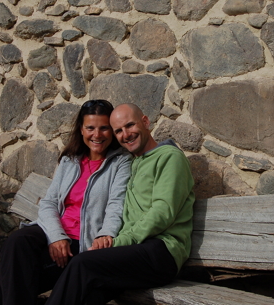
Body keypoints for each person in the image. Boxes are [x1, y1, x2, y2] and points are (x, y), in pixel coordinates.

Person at [0, 100, 131, 305]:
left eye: (104, 128)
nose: (97, 135)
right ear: (81, 130)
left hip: (81, 242)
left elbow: (117, 204)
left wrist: (106, 234)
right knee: (17, 241)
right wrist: (56, 237)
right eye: (90, 128)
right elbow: (49, 202)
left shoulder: (121, 162)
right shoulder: (70, 160)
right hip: (52, 233)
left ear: (112, 131)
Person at [45, 103, 195, 305]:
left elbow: (162, 213)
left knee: (82, 265)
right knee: (87, 294)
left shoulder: (170, 158)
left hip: (163, 251)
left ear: (145, 121)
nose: (126, 134)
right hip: (133, 251)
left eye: (130, 125)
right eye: (118, 131)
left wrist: (120, 241)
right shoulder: (132, 162)